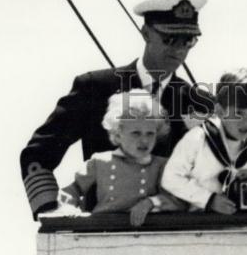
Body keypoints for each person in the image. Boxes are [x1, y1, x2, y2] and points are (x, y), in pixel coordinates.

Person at [20, 0, 209, 219]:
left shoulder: (198, 103)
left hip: (176, 238)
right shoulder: (94, 88)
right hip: (102, 234)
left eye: (188, 40)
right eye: (170, 39)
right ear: (146, 33)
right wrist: (51, 210)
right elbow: (37, 154)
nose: (179, 50)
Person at [160, 68, 247, 213]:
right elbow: (169, 178)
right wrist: (209, 199)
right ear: (220, 111)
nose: (246, 122)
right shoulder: (197, 139)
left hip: (239, 229)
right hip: (198, 228)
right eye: (238, 113)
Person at [58, 91, 182, 227]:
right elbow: (72, 191)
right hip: (102, 228)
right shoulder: (100, 162)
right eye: (136, 133)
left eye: (150, 133)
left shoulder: (161, 165)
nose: (144, 140)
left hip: (145, 231)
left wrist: (151, 202)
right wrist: (68, 208)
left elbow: (179, 200)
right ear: (118, 134)